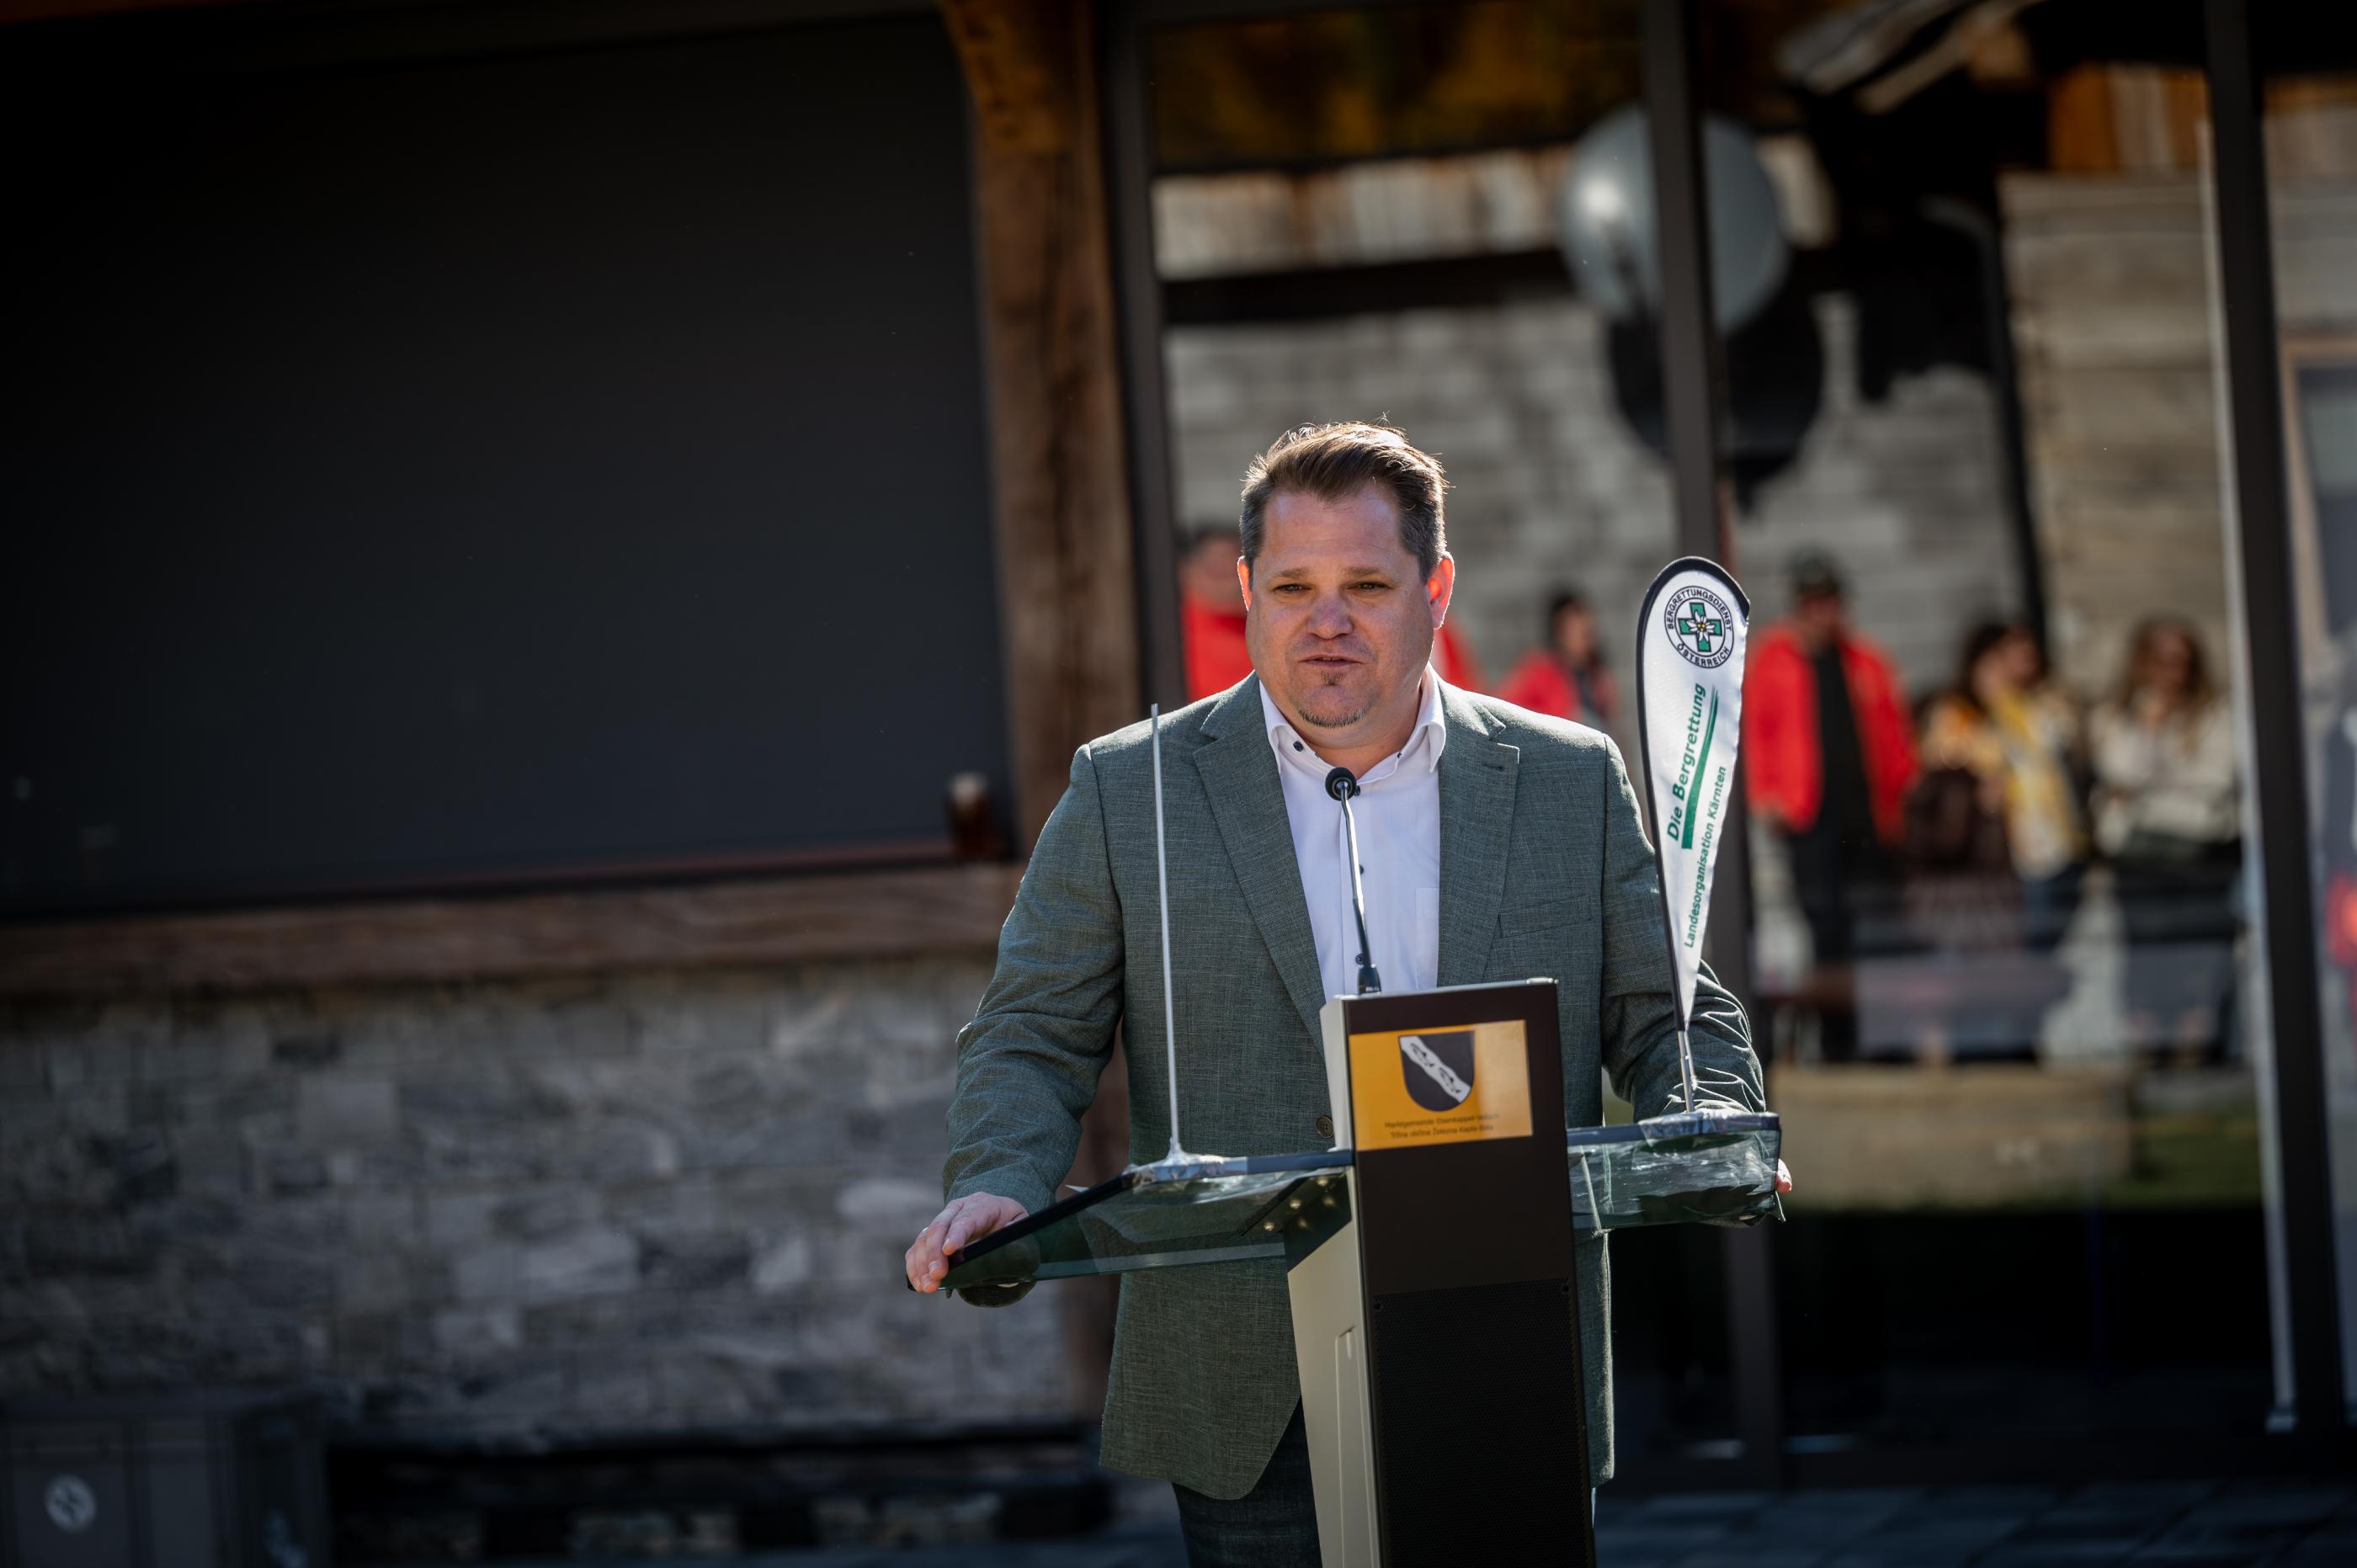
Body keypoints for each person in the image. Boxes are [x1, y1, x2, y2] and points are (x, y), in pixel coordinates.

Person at [906, 421, 1783, 1565]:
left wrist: (1708, 1116)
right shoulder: (1130, 790)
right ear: (1245, 592)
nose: (1326, 620)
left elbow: (1664, 1011)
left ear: (1436, 588)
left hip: (1501, 1340)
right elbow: (1031, 1032)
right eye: (1292, 587)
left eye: (1366, 584)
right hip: (1245, 1379)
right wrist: (998, 1180)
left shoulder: (1567, 779)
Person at [1742, 551, 1917, 1060]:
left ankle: (1887, 1043)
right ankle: (1840, 1046)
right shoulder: (1774, 659)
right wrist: (1766, 795)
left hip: (1869, 823)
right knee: (1826, 929)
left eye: (1830, 600)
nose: (1822, 612)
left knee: (1878, 931)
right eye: (1812, 602)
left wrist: (1904, 800)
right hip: (1810, 820)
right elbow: (1756, 733)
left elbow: (1895, 739)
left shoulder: (1867, 661)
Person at [2089, 618, 2241, 1064]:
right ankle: (2150, 1049)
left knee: (2199, 953)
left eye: (2181, 661)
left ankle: (2196, 1046)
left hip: (2202, 853)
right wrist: (2151, 730)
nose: (2172, 673)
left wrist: (2145, 794)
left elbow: (2216, 780)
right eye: (2161, 661)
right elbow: (2119, 770)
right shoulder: (2116, 717)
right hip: (2138, 857)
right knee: (2145, 954)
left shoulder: (2216, 715)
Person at [1920, 619, 2088, 953]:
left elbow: (2065, 741)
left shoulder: (2032, 705)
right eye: (2006, 657)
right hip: (2003, 857)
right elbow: (1943, 756)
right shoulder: (1960, 712)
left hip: (2056, 845)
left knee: (2051, 946)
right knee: (2018, 949)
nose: (2018, 665)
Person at [1499, 587, 1619, 728]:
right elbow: (1505, 708)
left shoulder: (1597, 677)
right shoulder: (1540, 670)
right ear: (1560, 632)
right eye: (1581, 634)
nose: (1587, 642)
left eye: (1589, 634)